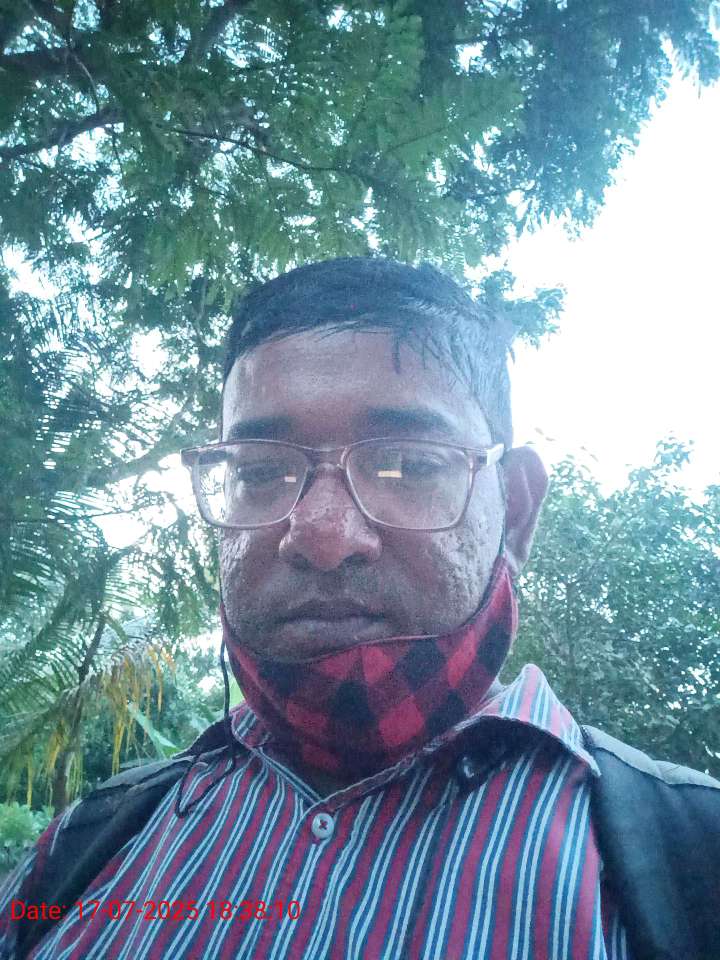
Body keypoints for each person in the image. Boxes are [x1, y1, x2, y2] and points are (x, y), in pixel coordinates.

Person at [1, 257, 719, 960]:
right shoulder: (81, 849)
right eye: (260, 470)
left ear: (518, 510)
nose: (322, 535)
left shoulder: (694, 860)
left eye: (408, 465)